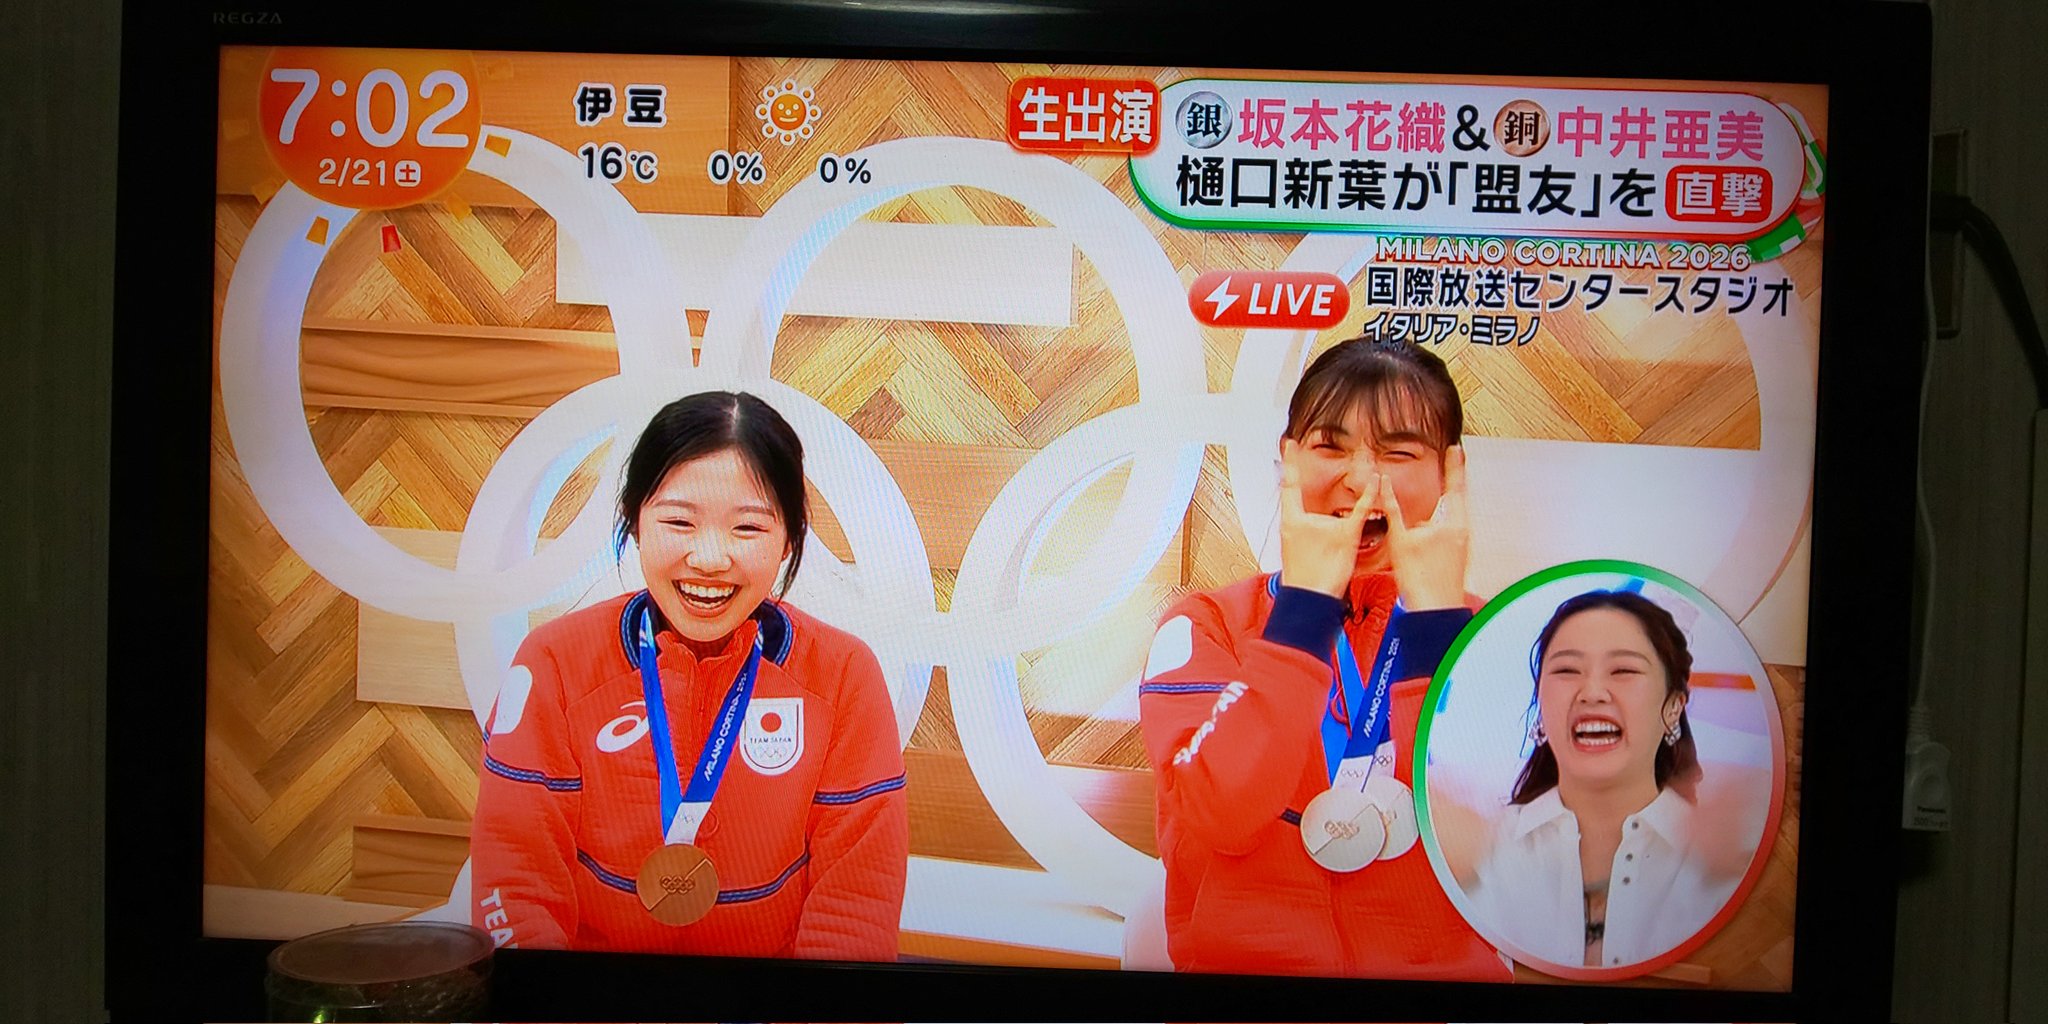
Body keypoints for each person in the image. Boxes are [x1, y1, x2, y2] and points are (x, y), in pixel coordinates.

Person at [469, 391, 908, 960]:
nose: (709, 558)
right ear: (635, 520)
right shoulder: (553, 663)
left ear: (790, 539)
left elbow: (855, 905)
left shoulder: (844, 676)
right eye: (679, 521)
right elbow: (517, 881)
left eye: (747, 528)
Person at [1136, 337, 1508, 980]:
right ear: (1287, 458)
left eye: (1399, 452)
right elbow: (1222, 818)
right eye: (1330, 447)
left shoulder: (1499, 637)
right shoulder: (1205, 626)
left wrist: (1437, 632)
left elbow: (1487, 850)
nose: (1360, 480)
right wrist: (1304, 616)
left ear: (1448, 472)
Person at [1463, 588, 1740, 969]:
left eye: (1624, 670)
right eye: (1567, 670)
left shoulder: (1721, 869)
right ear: (1540, 708)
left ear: (1674, 707)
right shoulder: (1481, 853)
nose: (1592, 693)